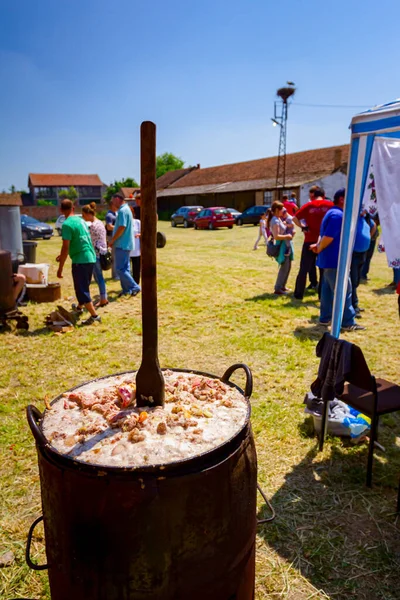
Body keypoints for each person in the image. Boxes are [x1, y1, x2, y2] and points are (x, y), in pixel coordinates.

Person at [310, 189, 364, 331]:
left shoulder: (332, 212)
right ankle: (347, 322)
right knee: (344, 291)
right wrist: (320, 247)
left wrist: (318, 246)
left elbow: (322, 235)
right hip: (335, 260)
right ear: (341, 199)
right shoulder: (338, 215)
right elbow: (328, 237)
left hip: (329, 260)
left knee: (327, 291)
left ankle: (325, 318)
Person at [56, 199, 100, 325]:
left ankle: (94, 316)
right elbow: (79, 241)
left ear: (61, 210)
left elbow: (65, 247)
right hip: (90, 257)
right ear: (73, 208)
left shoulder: (67, 225)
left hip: (80, 260)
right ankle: (80, 308)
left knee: (81, 289)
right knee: (83, 285)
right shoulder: (81, 220)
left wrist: (60, 269)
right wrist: (62, 255)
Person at [293, 186, 333, 299]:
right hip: (323, 241)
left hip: (309, 240)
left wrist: (303, 227)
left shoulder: (308, 205)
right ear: (324, 195)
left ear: (313, 196)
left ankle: (298, 294)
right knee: (323, 269)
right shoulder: (330, 205)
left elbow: (294, 218)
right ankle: (322, 295)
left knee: (304, 268)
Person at [108, 192, 141, 298]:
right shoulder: (126, 209)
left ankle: (135, 287)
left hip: (122, 244)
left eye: (113, 201)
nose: (113, 203)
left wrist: (113, 240)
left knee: (120, 269)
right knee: (125, 268)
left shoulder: (122, 211)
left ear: (118, 199)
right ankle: (126, 289)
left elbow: (122, 227)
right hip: (126, 243)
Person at [82, 203, 109, 307]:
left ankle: (103, 299)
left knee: (99, 277)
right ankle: (104, 298)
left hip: (96, 254)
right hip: (102, 252)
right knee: (99, 277)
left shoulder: (92, 226)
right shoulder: (100, 222)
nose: (84, 218)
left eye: (84, 215)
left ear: (88, 214)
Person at [350, 210, 375, 315]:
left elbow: (373, 226)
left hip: (362, 253)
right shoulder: (351, 218)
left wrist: (367, 237)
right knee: (352, 281)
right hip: (353, 254)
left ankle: (354, 304)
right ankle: (352, 307)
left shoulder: (366, 218)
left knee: (356, 281)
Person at [267, 201, 294, 295]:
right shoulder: (275, 220)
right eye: (282, 208)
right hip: (282, 246)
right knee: (284, 266)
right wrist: (288, 236)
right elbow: (277, 236)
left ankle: (283, 286)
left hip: (286, 245)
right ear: (277, 210)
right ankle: (278, 288)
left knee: (288, 266)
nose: (283, 210)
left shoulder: (278, 219)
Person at [360, 214, 379, 282]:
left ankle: (363, 274)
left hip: (371, 238)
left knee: (368, 257)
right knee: (362, 256)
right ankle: (360, 274)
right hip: (364, 236)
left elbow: (377, 222)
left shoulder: (376, 210)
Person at [105, 199, 118, 280]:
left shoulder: (115, 213)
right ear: (112, 205)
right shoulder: (109, 215)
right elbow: (109, 227)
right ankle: (115, 275)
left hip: (115, 236)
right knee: (114, 256)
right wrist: (120, 228)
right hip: (111, 237)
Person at [130, 215, 141, 285]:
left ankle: (136, 284)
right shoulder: (124, 222)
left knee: (136, 268)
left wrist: (139, 235)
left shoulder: (137, 222)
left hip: (136, 249)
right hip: (126, 249)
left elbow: (142, 232)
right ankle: (128, 285)